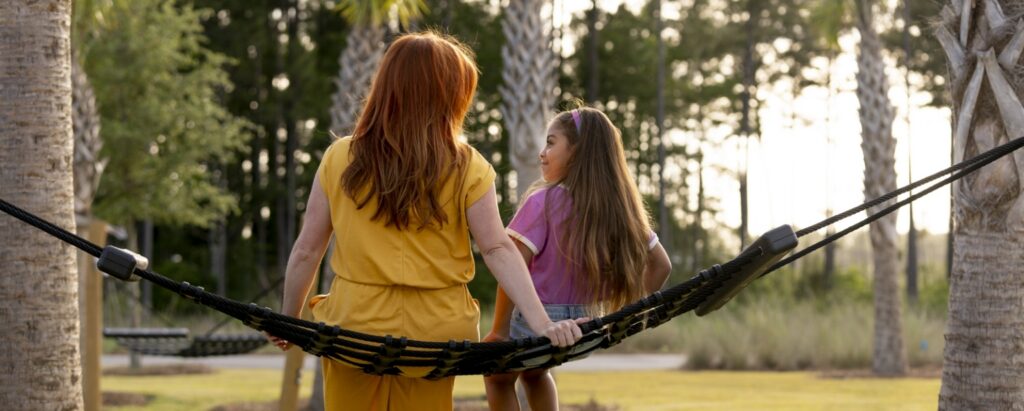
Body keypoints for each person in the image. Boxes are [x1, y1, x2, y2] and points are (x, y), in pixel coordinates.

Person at [264, 32, 585, 411]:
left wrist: (289, 318)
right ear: (447, 96)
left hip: (355, 328)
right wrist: (542, 322)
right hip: (435, 335)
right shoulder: (468, 164)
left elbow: (307, 250)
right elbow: (497, 248)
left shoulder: (340, 157)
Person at [483, 107, 673, 411]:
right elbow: (662, 265)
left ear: (577, 151)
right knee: (535, 373)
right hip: (586, 325)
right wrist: (623, 315)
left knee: (497, 378)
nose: (542, 153)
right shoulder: (618, 208)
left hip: (539, 322)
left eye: (551, 142)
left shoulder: (544, 201)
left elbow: (513, 267)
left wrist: (500, 330)